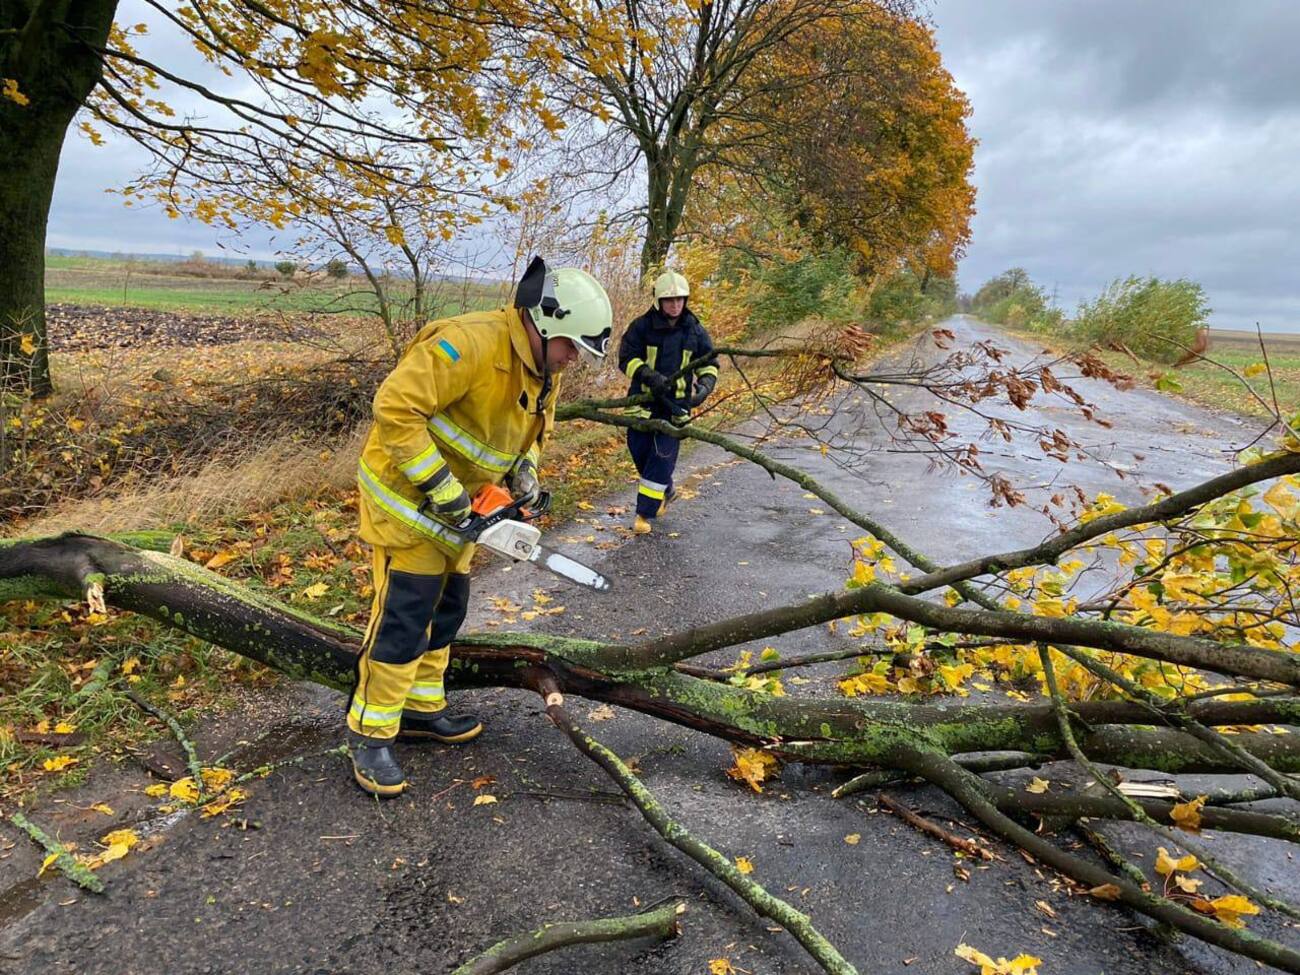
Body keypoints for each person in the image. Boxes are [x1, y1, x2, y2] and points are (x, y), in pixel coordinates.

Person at [347, 257, 612, 797]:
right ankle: (370, 732)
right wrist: (443, 490)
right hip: (407, 503)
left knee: (446, 611)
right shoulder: (468, 344)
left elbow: (530, 432)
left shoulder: (541, 370)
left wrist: (526, 472)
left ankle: (422, 709)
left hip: (462, 513)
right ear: (544, 326)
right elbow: (395, 410)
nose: (571, 361)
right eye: (569, 347)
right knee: (405, 617)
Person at [617, 270, 718, 534]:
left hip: (676, 410)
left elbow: (709, 364)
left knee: (661, 456)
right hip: (642, 405)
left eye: (680, 300)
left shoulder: (694, 330)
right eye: (669, 300)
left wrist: (705, 387)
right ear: (658, 301)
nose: (675, 305)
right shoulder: (641, 327)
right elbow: (626, 358)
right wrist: (649, 376)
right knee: (639, 450)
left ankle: (644, 513)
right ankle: (667, 489)